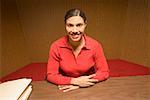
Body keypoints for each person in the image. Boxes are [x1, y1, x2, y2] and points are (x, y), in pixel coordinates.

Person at [47, 8, 109, 92]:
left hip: (88, 86)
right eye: (70, 25)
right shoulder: (56, 46)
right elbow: (51, 75)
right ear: (65, 25)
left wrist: (82, 84)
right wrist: (75, 82)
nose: (75, 30)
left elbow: (104, 72)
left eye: (79, 25)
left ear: (85, 24)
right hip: (64, 86)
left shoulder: (95, 45)